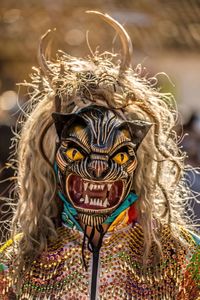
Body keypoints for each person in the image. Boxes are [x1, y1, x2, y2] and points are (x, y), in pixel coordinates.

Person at [0, 11, 199, 300]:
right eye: (77, 150)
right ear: (50, 157)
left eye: (116, 153)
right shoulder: (17, 263)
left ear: (139, 157)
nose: (96, 169)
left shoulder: (181, 258)